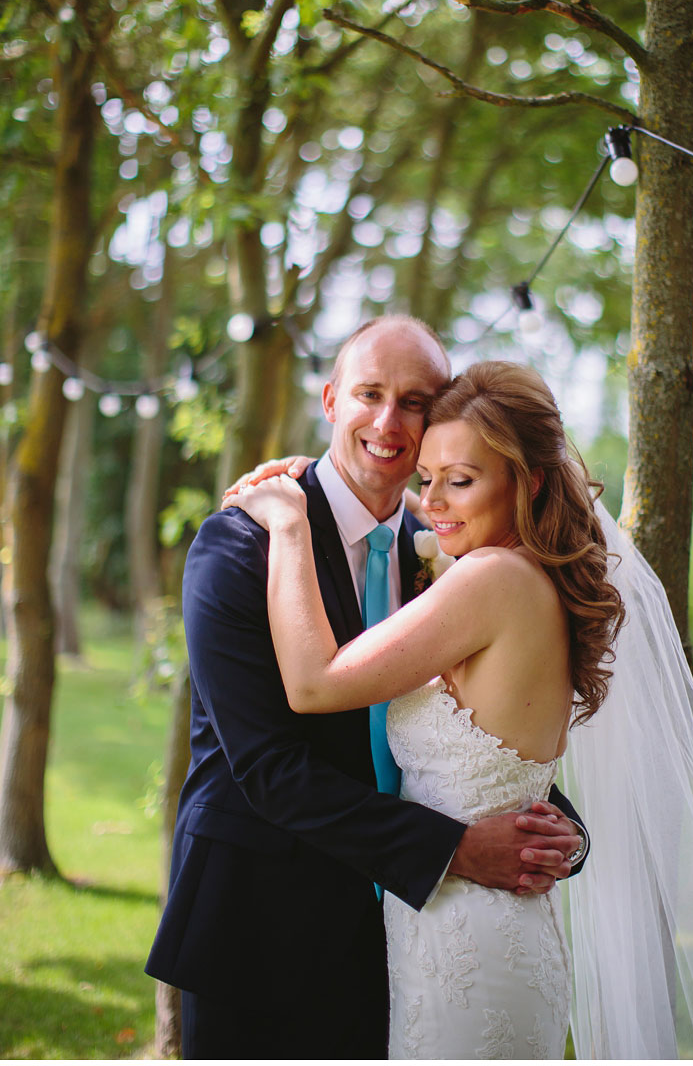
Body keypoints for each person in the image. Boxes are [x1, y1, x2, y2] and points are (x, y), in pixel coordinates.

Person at [233, 358, 693, 1062]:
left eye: (461, 481)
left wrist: (290, 525)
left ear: (529, 481)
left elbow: (313, 684)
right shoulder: (528, 578)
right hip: (468, 929)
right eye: (427, 479)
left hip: (471, 942)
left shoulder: (490, 580)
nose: (434, 503)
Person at [145, 316, 587, 1061]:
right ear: (329, 400)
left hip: (402, 942)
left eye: (414, 401)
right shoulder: (242, 543)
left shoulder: (448, 545)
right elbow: (268, 770)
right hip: (258, 929)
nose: (388, 421)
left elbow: (485, 724)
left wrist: (555, 831)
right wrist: (453, 850)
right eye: (369, 394)